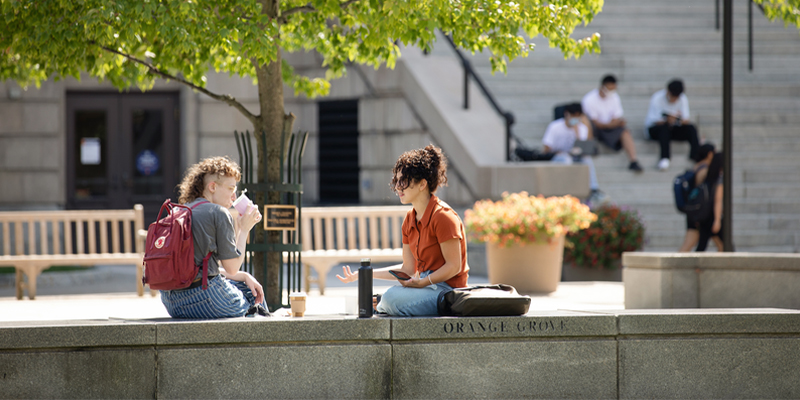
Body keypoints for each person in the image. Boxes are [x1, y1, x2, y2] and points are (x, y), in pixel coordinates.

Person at [336, 145, 469, 316]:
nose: (398, 187)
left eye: (404, 181)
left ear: (422, 184)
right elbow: (408, 269)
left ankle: (382, 304)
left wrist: (422, 282)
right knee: (391, 297)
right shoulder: (409, 219)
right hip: (425, 287)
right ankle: (384, 303)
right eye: (397, 181)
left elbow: (454, 266)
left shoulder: (444, 216)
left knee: (391, 298)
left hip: (447, 292)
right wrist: (364, 274)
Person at [160, 156, 268, 318]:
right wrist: (244, 229)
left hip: (171, 301)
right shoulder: (218, 213)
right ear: (212, 187)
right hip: (203, 298)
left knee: (245, 285)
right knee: (255, 303)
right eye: (231, 188)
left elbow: (199, 270)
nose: (234, 196)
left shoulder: (181, 210)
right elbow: (232, 267)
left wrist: (244, 276)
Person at [542, 102, 605, 205]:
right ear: (567, 114)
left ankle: (593, 189)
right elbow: (546, 148)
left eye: (578, 116)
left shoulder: (581, 128)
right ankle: (567, 189)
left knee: (587, 159)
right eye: (573, 116)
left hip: (575, 156)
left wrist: (577, 133)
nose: (575, 119)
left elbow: (582, 148)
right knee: (566, 159)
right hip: (558, 157)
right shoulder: (555, 126)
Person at [581, 74, 644, 173]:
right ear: (602, 87)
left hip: (609, 126)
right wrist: (612, 124)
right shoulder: (589, 99)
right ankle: (590, 147)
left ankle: (633, 161)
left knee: (625, 131)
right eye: (609, 89)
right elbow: (596, 122)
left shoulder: (614, 97)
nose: (611, 92)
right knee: (586, 123)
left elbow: (616, 117)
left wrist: (615, 123)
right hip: (596, 128)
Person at [645, 79, 701, 171]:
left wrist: (676, 120)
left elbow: (686, 120)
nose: (674, 100)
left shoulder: (682, 99)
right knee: (664, 129)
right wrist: (667, 120)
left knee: (691, 128)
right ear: (668, 91)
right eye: (673, 96)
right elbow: (653, 119)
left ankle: (695, 156)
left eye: (676, 97)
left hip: (673, 128)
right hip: (656, 130)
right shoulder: (657, 98)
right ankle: (664, 158)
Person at [678, 144, 718, 252]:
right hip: (700, 211)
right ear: (709, 155)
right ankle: (675, 265)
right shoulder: (704, 170)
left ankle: (675, 265)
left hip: (695, 209)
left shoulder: (696, 167)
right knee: (692, 242)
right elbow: (702, 192)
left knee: (691, 242)